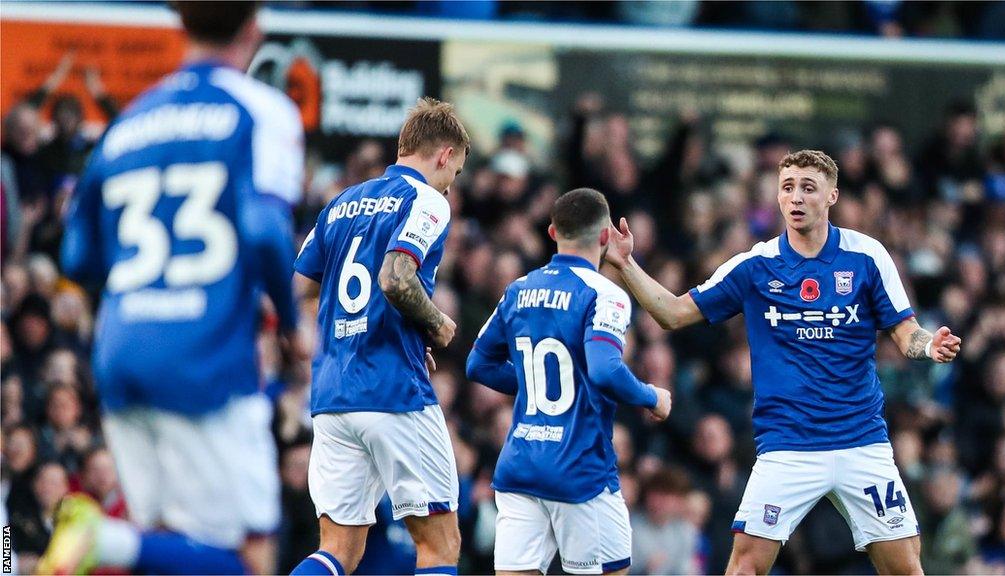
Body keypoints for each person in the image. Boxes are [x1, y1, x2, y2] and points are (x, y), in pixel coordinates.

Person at [604, 150, 963, 575]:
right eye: (788, 187)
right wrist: (626, 264)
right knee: (745, 568)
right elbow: (672, 313)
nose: (796, 197)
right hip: (788, 447)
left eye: (808, 188)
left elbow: (906, 333)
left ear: (832, 196)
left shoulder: (866, 257)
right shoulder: (755, 266)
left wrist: (929, 345)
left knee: (905, 568)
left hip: (861, 441)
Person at [40, 2, 305, 574]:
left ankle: (114, 543)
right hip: (205, 359)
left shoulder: (129, 120)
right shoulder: (261, 109)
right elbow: (264, 230)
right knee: (250, 553)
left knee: (167, 543)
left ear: (180, 25)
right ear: (254, 28)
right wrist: (293, 322)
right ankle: (101, 541)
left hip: (121, 353)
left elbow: (77, 255)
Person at [291, 97, 469, 576]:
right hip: (393, 391)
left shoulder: (341, 203)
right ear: (445, 155)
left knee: (337, 552)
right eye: (456, 173)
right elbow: (394, 277)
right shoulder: (427, 200)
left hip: (332, 394)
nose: (451, 187)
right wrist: (434, 323)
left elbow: (300, 286)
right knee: (439, 544)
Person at [466, 187, 672, 575]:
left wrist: (532, 381)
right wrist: (651, 397)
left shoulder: (519, 289)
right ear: (606, 236)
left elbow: (478, 364)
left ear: (551, 233)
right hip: (578, 471)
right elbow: (605, 369)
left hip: (520, 465)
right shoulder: (604, 294)